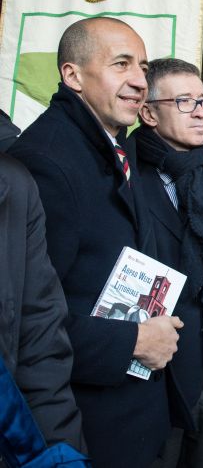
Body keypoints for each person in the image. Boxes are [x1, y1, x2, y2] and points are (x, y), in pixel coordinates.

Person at [8, 17, 185, 468]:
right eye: (121, 64)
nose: (139, 81)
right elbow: (28, 322)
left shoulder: (114, 146)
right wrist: (133, 341)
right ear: (72, 75)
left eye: (143, 68)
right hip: (90, 429)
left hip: (139, 414)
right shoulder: (45, 162)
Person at [132, 58, 203, 467]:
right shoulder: (124, 174)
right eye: (183, 101)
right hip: (152, 374)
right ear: (148, 112)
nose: (198, 111)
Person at [0, 151, 84, 452]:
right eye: (183, 100)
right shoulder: (46, 156)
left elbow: (40, 339)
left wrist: (62, 457)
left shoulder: (16, 183)